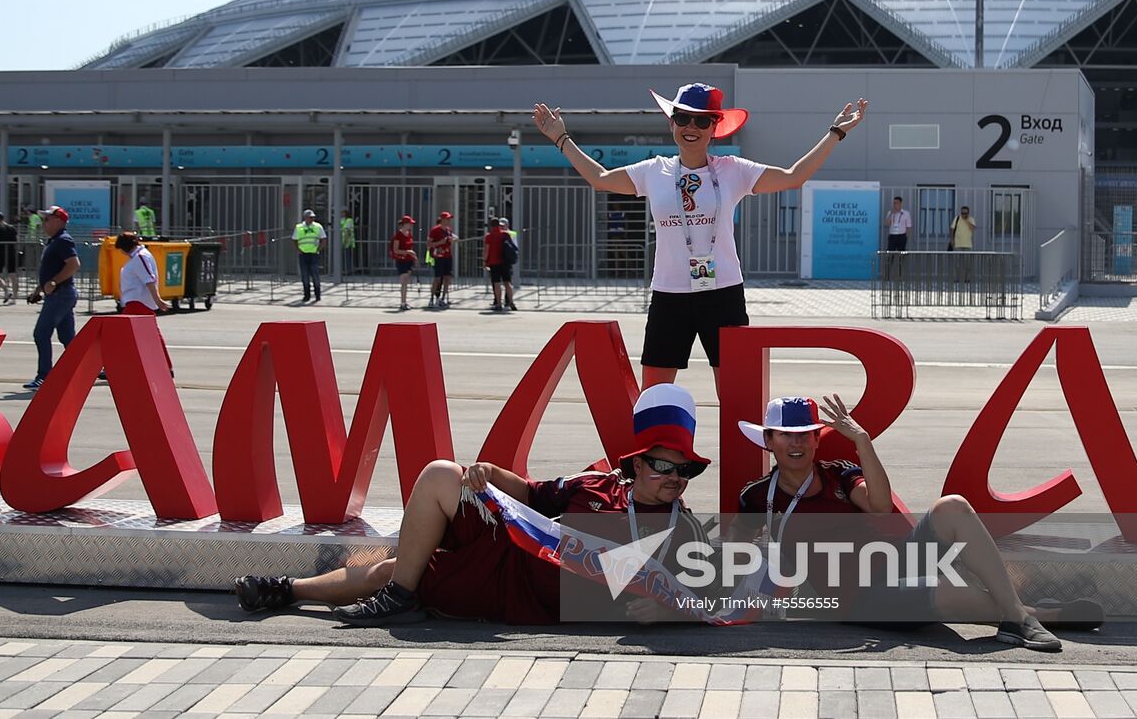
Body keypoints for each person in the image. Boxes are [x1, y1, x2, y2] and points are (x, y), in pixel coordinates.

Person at [232, 383, 713, 626]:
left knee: (396, 572)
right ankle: (310, 592)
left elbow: (719, 593)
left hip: (520, 597)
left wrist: (672, 613)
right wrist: (488, 472)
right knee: (443, 472)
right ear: (638, 464)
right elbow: (529, 494)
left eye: (685, 470)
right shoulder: (596, 484)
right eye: (664, 466)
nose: (675, 479)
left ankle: (289, 589)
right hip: (511, 549)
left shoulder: (683, 530)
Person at [533, 84, 866, 397]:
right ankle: (655, 458)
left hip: (722, 294)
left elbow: (794, 177)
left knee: (736, 392)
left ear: (714, 127)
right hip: (669, 293)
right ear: (672, 123)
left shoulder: (733, 170)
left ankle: (742, 459)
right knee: (655, 396)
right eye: (682, 118)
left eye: (701, 120)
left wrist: (835, 133)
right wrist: (561, 137)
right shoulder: (654, 170)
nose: (690, 126)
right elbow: (601, 179)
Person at [734, 395, 1098, 652]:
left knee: (953, 506)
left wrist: (862, 440)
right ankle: (1041, 614)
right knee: (952, 595)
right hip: (856, 599)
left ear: (817, 439)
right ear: (769, 440)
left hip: (894, 564)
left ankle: (1019, 617)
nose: (795, 443)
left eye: (804, 434)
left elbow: (878, 507)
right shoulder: (756, 497)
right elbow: (738, 551)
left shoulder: (839, 475)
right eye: (785, 434)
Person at [24, 206, 80, 391]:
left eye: (47, 219)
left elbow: (73, 264)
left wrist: (54, 282)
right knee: (67, 338)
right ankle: (92, 369)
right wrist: (39, 289)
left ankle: (44, 376)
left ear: (58, 221)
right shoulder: (54, 241)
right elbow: (51, 271)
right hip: (58, 294)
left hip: (60, 295)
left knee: (41, 333)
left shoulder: (63, 240)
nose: (43, 223)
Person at [115, 232, 173, 373]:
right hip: (137, 301)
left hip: (138, 302)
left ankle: (115, 366)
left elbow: (149, 280)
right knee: (149, 335)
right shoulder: (139, 256)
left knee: (122, 335)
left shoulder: (140, 257)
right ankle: (165, 366)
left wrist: (158, 300)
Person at [291, 209, 326, 304]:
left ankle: (317, 295)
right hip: (303, 254)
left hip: (314, 254)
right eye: (310, 217)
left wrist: (318, 249)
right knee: (305, 276)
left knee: (315, 275)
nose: (312, 219)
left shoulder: (318, 227)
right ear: (305, 217)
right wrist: (298, 250)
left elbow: (323, 239)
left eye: (313, 217)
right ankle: (306, 295)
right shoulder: (299, 227)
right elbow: (294, 240)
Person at [483, 218, 518, 312]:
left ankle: (499, 304)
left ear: (491, 226)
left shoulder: (488, 236)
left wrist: (484, 261)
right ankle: (511, 302)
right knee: (507, 283)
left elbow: (486, 250)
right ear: (498, 225)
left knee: (497, 283)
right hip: (505, 262)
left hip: (494, 262)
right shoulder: (505, 234)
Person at [427, 211, 457, 309]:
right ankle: (431, 298)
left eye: (449, 219)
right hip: (439, 257)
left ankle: (442, 299)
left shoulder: (448, 230)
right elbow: (429, 244)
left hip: (448, 256)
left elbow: (452, 240)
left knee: (447, 278)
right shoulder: (435, 230)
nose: (449, 221)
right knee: (438, 278)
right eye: (447, 219)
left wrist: (452, 241)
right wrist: (440, 242)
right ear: (443, 219)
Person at [0, 211, 21, 304]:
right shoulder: (12, 228)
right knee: (13, 276)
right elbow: (17, 240)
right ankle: (14, 298)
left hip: (1, 254)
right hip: (12, 253)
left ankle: (7, 290)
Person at [389, 214, 418, 311]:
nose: (411, 225)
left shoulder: (409, 234)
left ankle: (405, 301)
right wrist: (407, 252)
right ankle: (402, 302)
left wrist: (414, 256)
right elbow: (395, 250)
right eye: (409, 223)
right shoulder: (398, 235)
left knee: (406, 281)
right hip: (401, 260)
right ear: (405, 224)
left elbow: (410, 247)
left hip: (409, 260)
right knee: (404, 281)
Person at [884, 196, 911, 280]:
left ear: (900, 204)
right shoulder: (890, 213)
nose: (895, 205)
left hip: (901, 236)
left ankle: (900, 276)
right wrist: (891, 214)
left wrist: (906, 237)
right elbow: (887, 224)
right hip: (892, 236)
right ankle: (887, 275)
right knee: (889, 255)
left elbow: (909, 227)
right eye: (894, 203)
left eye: (896, 203)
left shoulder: (906, 213)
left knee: (901, 256)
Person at [949, 205, 977, 283]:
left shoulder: (971, 219)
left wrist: (967, 220)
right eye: (962, 213)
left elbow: (973, 228)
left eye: (965, 213)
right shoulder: (957, 218)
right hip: (958, 244)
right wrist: (952, 239)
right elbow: (952, 229)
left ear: (968, 213)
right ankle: (956, 278)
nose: (963, 214)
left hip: (967, 244)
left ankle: (967, 278)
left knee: (967, 263)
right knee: (956, 263)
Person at [339, 209, 356, 276]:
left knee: (347, 257)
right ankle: (344, 270)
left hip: (348, 242)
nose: (342, 214)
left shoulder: (349, 220)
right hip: (342, 241)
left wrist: (345, 241)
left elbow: (348, 231)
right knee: (345, 257)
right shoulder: (342, 220)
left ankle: (348, 271)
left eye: (343, 212)